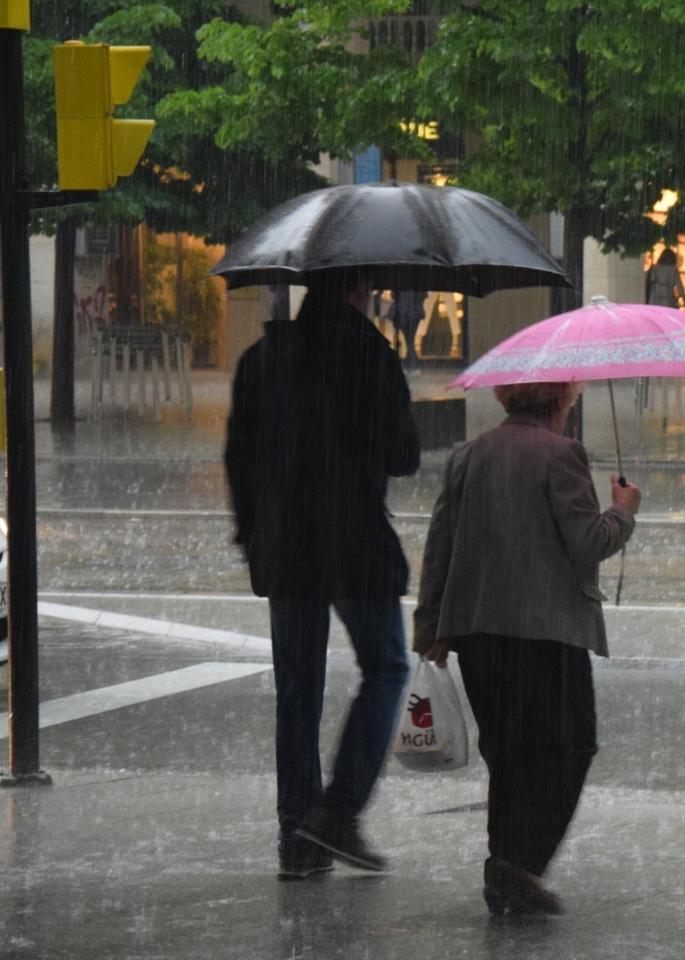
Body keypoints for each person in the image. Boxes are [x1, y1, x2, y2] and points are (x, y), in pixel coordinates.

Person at [414, 380, 639, 917]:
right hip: (546, 632)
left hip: (478, 630)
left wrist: (431, 627)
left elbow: (440, 543)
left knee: (508, 753)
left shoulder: (468, 455)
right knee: (570, 745)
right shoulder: (562, 455)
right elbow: (588, 542)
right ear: (561, 401)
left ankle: (507, 865)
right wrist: (623, 509)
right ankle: (518, 865)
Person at [224, 270, 420, 880]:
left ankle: (296, 839)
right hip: (354, 541)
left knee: (297, 692)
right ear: (358, 292)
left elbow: (238, 458)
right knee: (386, 668)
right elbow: (405, 456)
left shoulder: (262, 358)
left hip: (286, 545)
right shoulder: (371, 355)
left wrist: (254, 530)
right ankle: (338, 810)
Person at [391, 290, 427, 371]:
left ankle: (412, 364)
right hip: (414, 313)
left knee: (409, 340)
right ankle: (411, 363)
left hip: (404, 313)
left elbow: (393, 295)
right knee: (410, 339)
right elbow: (424, 295)